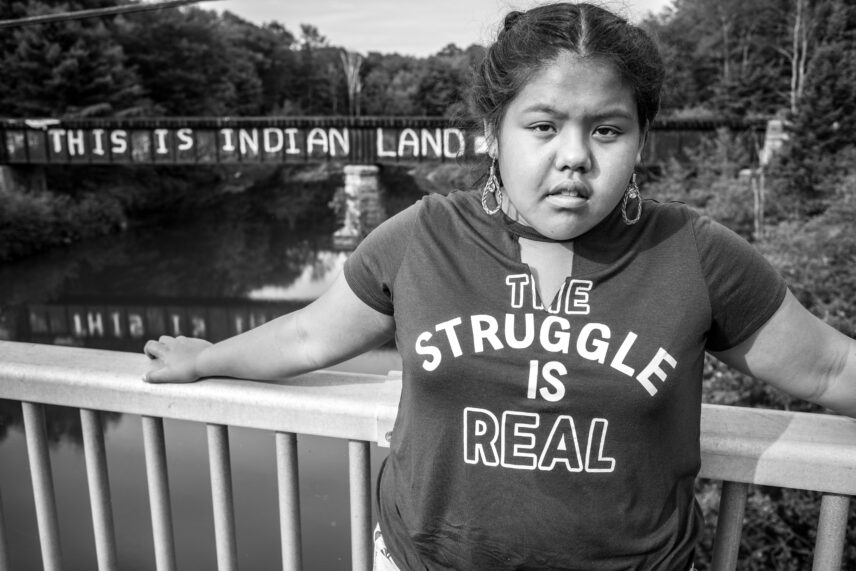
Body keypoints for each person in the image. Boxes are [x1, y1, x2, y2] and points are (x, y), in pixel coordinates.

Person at [143, 3, 856, 569]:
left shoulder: (694, 252)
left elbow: (828, 365)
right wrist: (204, 359)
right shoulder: (422, 237)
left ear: (642, 138)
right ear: (493, 131)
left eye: (607, 130)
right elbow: (307, 334)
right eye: (543, 125)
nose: (573, 157)